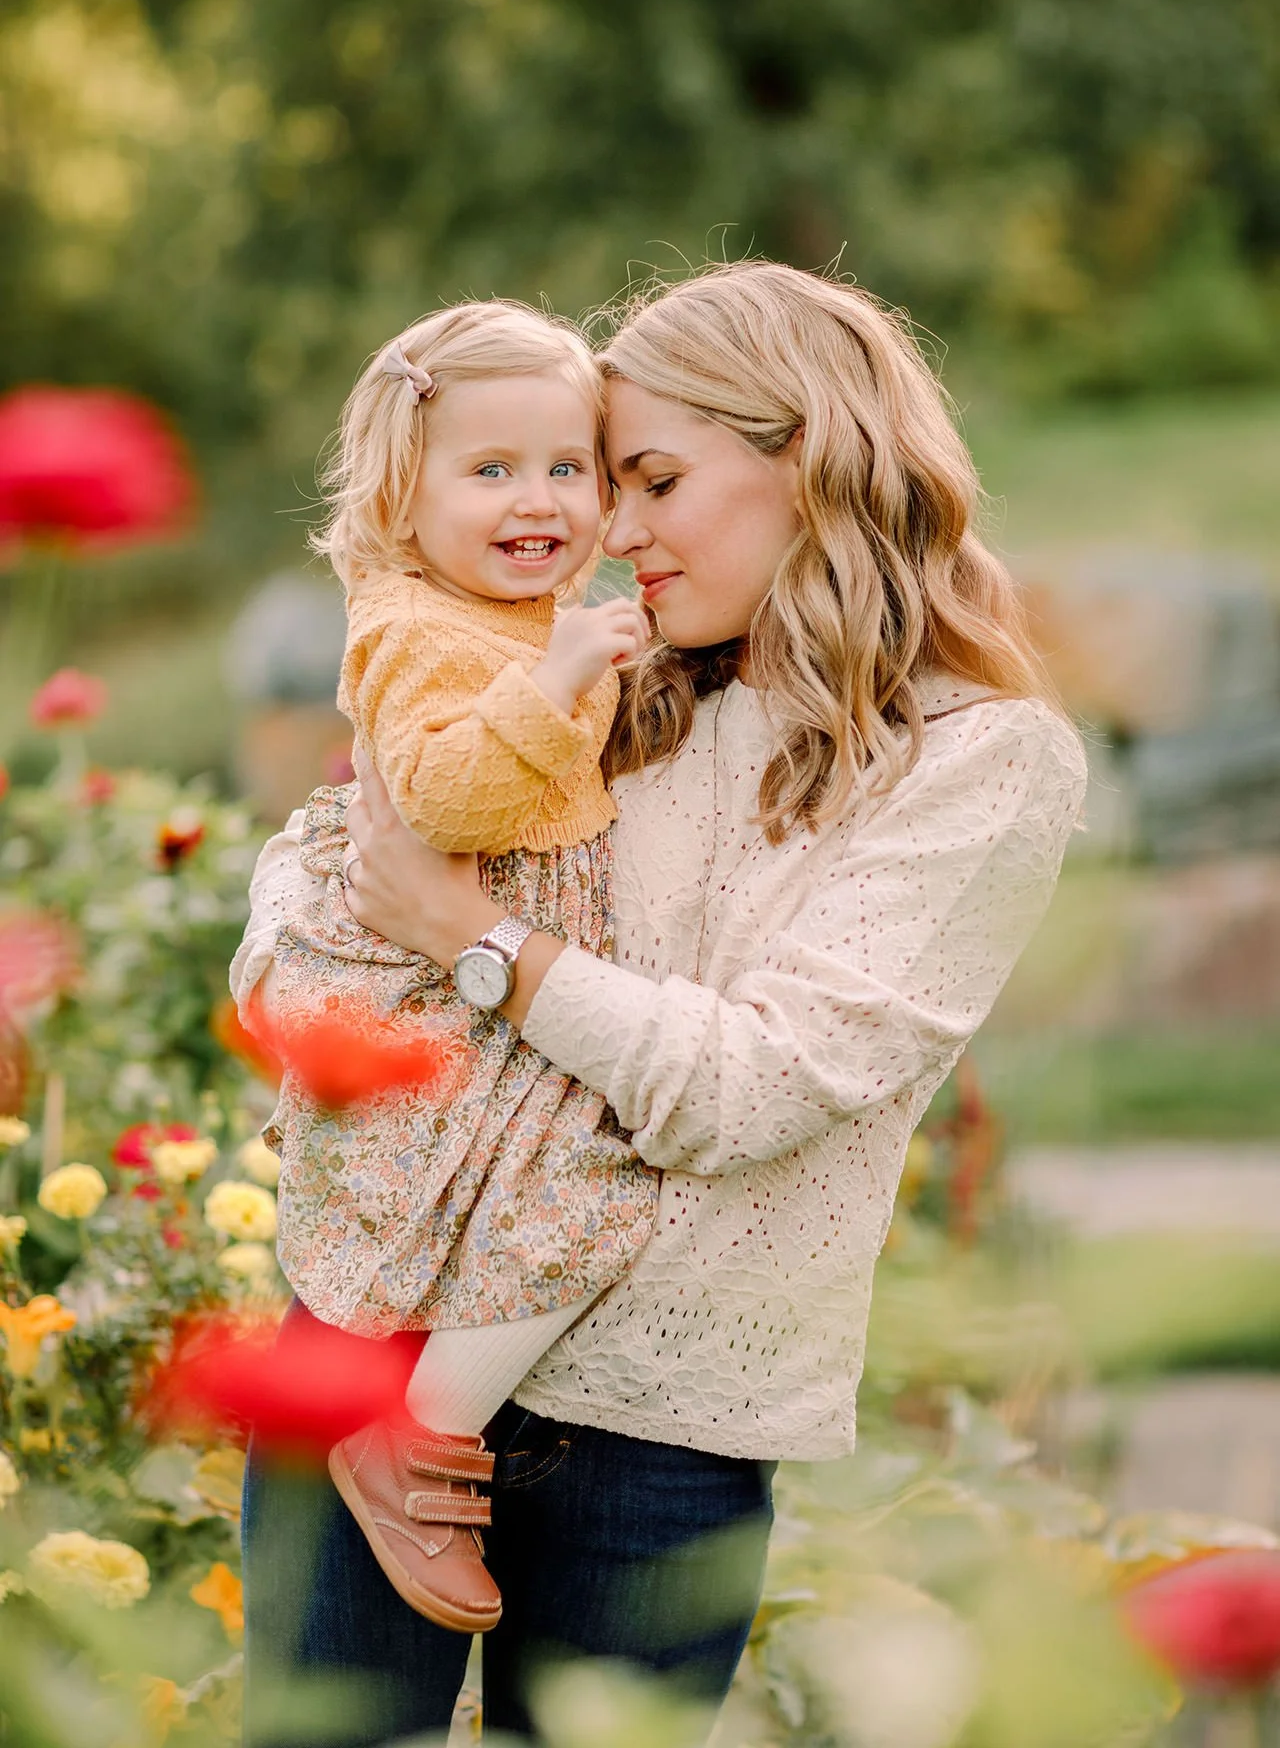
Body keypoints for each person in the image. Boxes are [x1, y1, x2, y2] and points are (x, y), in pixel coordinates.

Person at [232, 261, 1088, 1747]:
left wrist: (472, 940)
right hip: (369, 1338)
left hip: (660, 1424)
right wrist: (314, 983)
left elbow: (754, 1087)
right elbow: (328, 850)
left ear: (807, 457)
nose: (608, 531)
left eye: (648, 479)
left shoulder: (982, 763)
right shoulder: (602, 677)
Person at [258, 299, 655, 1634]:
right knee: (569, 1197)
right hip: (433, 969)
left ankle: (416, 1415)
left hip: (501, 954)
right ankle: (414, 1438)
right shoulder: (415, 627)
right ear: (399, 495)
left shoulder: (542, 609)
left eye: (568, 467)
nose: (538, 500)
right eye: (490, 471)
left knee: (533, 1196)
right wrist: (555, 685)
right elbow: (442, 802)